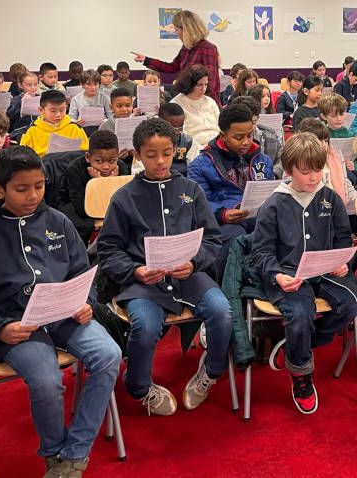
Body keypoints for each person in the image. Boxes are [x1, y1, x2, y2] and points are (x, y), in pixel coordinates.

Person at [0, 146, 122, 477]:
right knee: (46, 381)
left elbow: (81, 272)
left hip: (64, 314)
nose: (32, 195)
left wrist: (85, 301)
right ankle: (54, 453)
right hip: (15, 325)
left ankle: (76, 452)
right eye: (21, 189)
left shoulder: (58, 221)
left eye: (39, 186)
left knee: (109, 355)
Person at [97, 117, 232, 416]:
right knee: (145, 327)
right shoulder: (124, 198)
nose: (160, 161)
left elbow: (212, 238)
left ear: (176, 151)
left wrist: (195, 263)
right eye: (151, 155)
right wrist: (135, 271)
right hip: (143, 281)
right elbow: (108, 249)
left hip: (189, 275)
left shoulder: (190, 189)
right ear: (137, 155)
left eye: (167, 153)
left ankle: (211, 371)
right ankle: (139, 385)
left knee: (222, 312)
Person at [250, 133, 357, 414]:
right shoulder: (273, 205)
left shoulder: (330, 198)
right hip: (289, 276)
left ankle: (299, 344)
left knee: (354, 301)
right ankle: (301, 373)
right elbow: (261, 252)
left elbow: (342, 238)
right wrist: (277, 276)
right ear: (289, 170)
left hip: (325, 271)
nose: (314, 177)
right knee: (300, 314)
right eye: (305, 171)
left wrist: (343, 262)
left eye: (318, 169)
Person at [187, 102, 274, 249]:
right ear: (223, 136)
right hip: (225, 223)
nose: (246, 142)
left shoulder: (263, 160)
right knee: (235, 237)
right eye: (239, 137)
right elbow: (198, 204)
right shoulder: (200, 165)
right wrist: (222, 214)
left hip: (259, 217)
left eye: (250, 135)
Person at [133, 9, 223, 104]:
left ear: (187, 30)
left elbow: (210, 82)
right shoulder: (186, 48)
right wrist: (146, 60)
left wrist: (192, 97)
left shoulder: (207, 48)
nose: (176, 33)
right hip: (190, 100)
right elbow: (172, 67)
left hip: (205, 103)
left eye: (177, 30)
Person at [58, 129, 130, 245]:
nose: (106, 167)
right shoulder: (74, 169)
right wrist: (97, 183)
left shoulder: (121, 167)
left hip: (106, 205)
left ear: (117, 156)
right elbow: (81, 209)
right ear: (88, 157)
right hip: (75, 204)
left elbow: (124, 203)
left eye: (112, 161)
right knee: (85, 226)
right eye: (99, 161)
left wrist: (109, 182)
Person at [296, 119, 357, 206]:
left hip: (340, 207)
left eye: (325, 141)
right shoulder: (299, 164)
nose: (324, 145)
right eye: (319, 141)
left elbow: (346, 185)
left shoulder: (335, 157)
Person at [19, 90, 88, 157]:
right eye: (53, 111)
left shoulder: (74, 128)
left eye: (62, 110)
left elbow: (85, 152)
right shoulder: (32, 131)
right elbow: (24, 157)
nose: (58, 115)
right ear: (41, 110)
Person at [169, 65, 219, 148]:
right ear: (189, 84)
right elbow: (182, 139)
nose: (203, 89)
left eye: (206, 84)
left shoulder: (210, 101)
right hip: (196, 149)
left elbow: (221, 127)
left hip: (217, 146)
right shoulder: (176, 105)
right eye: (199, 85)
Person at [7, 70, 40, 136]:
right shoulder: (16, 100)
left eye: (35, 84)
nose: (33, 88)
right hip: (20, 131)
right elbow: (10, 116)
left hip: (37, 129)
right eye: (29, 85)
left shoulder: (40, 98)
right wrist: (22, 102)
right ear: (20, 85)